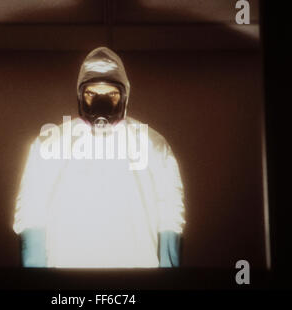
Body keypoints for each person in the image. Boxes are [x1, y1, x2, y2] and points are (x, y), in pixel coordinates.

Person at [13, 47, 185, 268]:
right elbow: (31, 207)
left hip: (137, 268)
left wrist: (168, 272)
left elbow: (170, 208)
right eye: (92, 93)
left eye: (111, 94)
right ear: (80, 95)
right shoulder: (50, 143)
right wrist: (35, 270)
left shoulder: (153, 144)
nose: (101, 102)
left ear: (124, 95)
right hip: (68, 268)